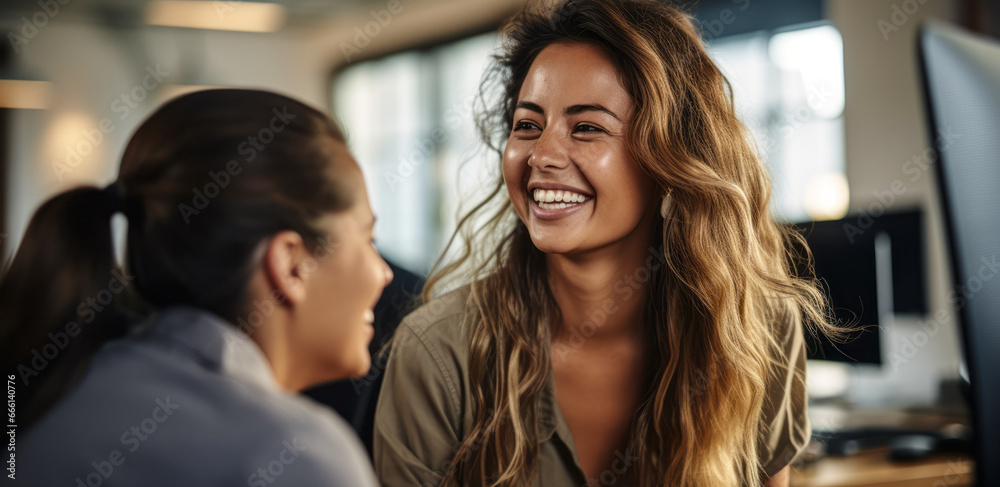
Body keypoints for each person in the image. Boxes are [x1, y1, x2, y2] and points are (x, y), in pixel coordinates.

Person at [373, 1, 843, 486]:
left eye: (588, 128)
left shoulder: (753, 331)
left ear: (669, 162)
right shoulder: (434, 354)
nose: (542, 156)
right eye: (527, 125)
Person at [0, 89, 392, 486]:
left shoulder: (45, 390)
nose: (385, 273)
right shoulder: (300, 456)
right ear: (292, 266)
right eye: (368, 240)